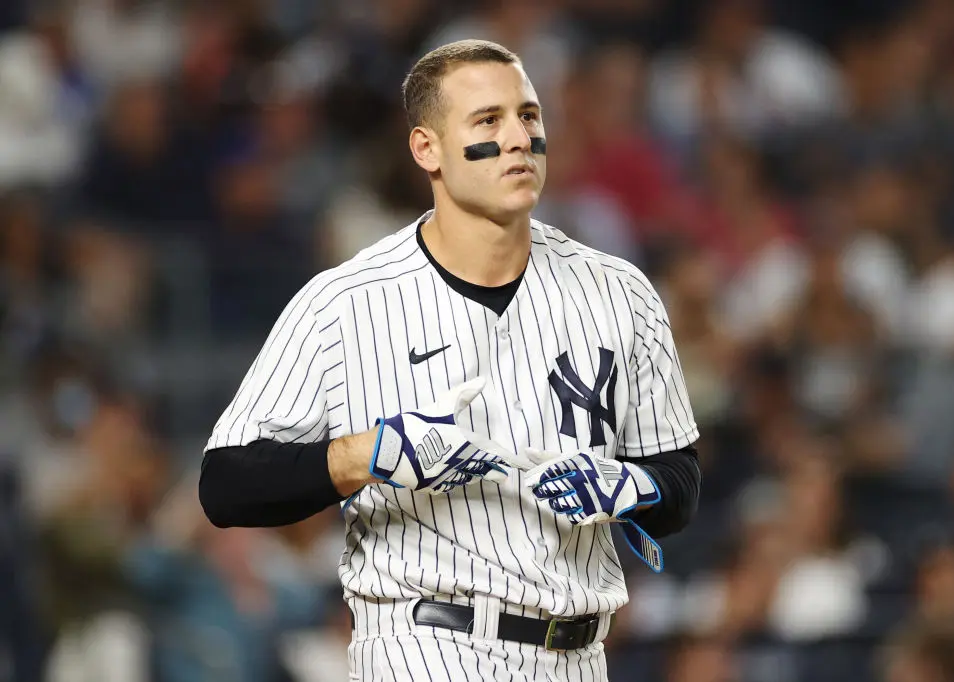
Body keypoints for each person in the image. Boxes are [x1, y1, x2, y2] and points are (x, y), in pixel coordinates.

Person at [198, 39, 702, 681]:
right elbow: (226, 483)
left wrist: (633, 486)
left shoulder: (617, 290)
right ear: (426, 149)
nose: (519, 137)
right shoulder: (347, 301)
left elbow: (680, 478)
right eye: (488, 120)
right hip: (425, 641)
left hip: (579, 654)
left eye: (529, 115)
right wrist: (367, 455)